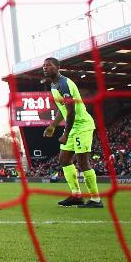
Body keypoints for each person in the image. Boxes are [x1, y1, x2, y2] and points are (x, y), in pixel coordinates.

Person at [42, 58, 101, 208]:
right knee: (64, 159)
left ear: (58, 67)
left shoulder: (64, 84)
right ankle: (76, 195)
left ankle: (95, 199)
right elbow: (62, 111)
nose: (45, 68)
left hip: (82, 126)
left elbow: (71, 112)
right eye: (44, 66)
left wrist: (66, 134)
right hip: (72, 126)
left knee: (82, 161)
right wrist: (53, 126)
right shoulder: (54, 86)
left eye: (49, 65)